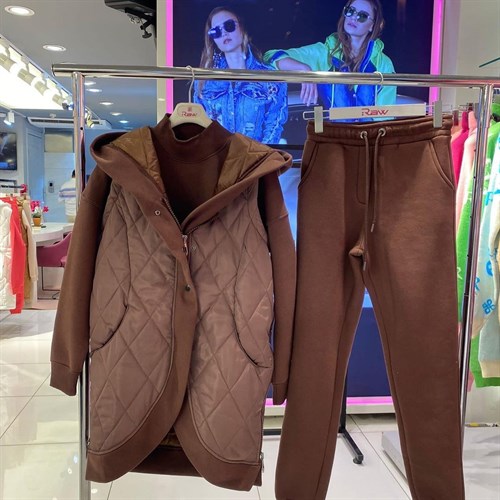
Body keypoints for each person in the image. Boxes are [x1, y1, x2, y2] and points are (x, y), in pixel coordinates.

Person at [264, 0, 396, 110]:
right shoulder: (325, 53)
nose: (353, 17)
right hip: (332, 132)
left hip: (369, 133)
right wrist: (304, 70)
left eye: (362, 16)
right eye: (350, 11)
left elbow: (385, 118)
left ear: (372, 26)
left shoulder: (383, 64)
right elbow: (271, 57)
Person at [194, 6, 288, 144]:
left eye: (229, 25)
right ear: (213, 39)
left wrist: (260, 157)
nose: (224, 33)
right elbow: (199, 128)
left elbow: (273, 126)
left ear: (242, 28)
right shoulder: (204, 82)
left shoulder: (270, 78)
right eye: (216, 31)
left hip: (256, 156)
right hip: (216, 156)